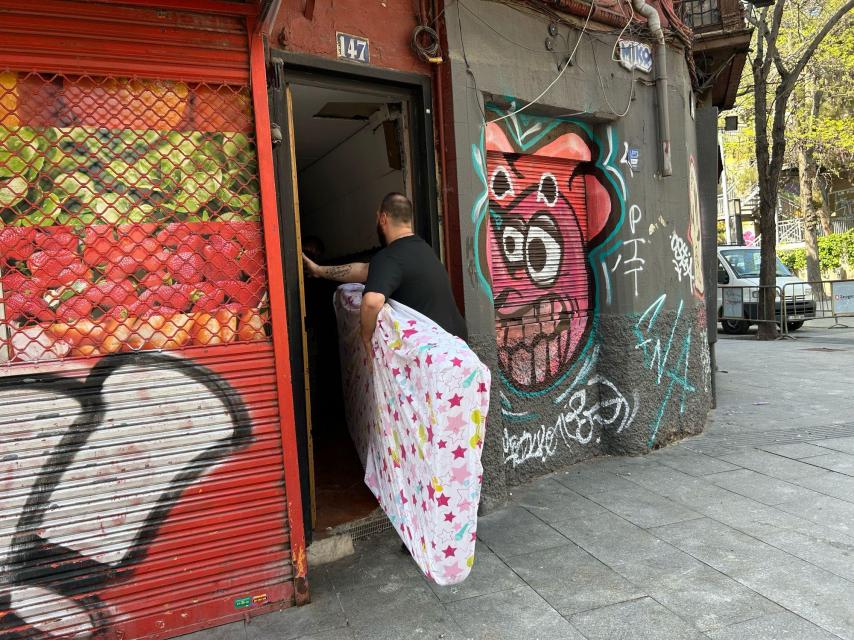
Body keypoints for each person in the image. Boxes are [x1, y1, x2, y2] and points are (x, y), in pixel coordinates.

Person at [302, 192, 467, 350]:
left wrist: (365, 337)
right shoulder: (424, 249)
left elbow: (372, 302)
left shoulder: (389, 257)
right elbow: (365, 269)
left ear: (383, 218)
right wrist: (318, 270)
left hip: (432, 354)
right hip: (457, 345)